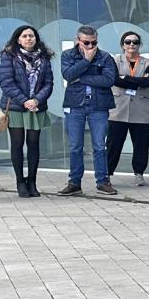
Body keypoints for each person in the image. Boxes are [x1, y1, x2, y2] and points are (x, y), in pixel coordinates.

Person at [58, 25, 118, 197]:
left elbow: (109, 80)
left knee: (100, 145)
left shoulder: (105, 56)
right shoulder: (68, 55)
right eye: (86, 42)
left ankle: (103, 181)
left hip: (98, 106)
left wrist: (81, 77)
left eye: (94, 43)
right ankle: (74, 182)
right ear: (78, 40)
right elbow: (68, 75)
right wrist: (87, 62)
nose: (90, 46)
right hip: (75, 104)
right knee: (75, 146)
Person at [0, 24, 53, 197]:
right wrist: (25, 101)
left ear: (36, 39)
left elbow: (49, 83)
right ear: (18, 40)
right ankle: (20, 182)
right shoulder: (9, 56)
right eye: (24, 36)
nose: (28, 38)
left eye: (31, 35)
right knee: (17, 143)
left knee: (34, 144)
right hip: (15, 106)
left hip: (36, 106)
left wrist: (36, 100)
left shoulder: (44, 58)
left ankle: (32, 182)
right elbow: (7, 83)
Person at [107, 30, 149, 187]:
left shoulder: (147, 63)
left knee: (141, 144)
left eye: (135, 42)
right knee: (113, 144)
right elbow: (114, 80)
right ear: (122, 45)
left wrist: (125, 78)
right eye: (128, 42)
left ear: (139, 45)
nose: (131, 45)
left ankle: (139, 174)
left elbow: (148, 82)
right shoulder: (114, 60)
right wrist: (137, 80)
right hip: (118, 108)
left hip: (141, 109)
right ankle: (106, 174)